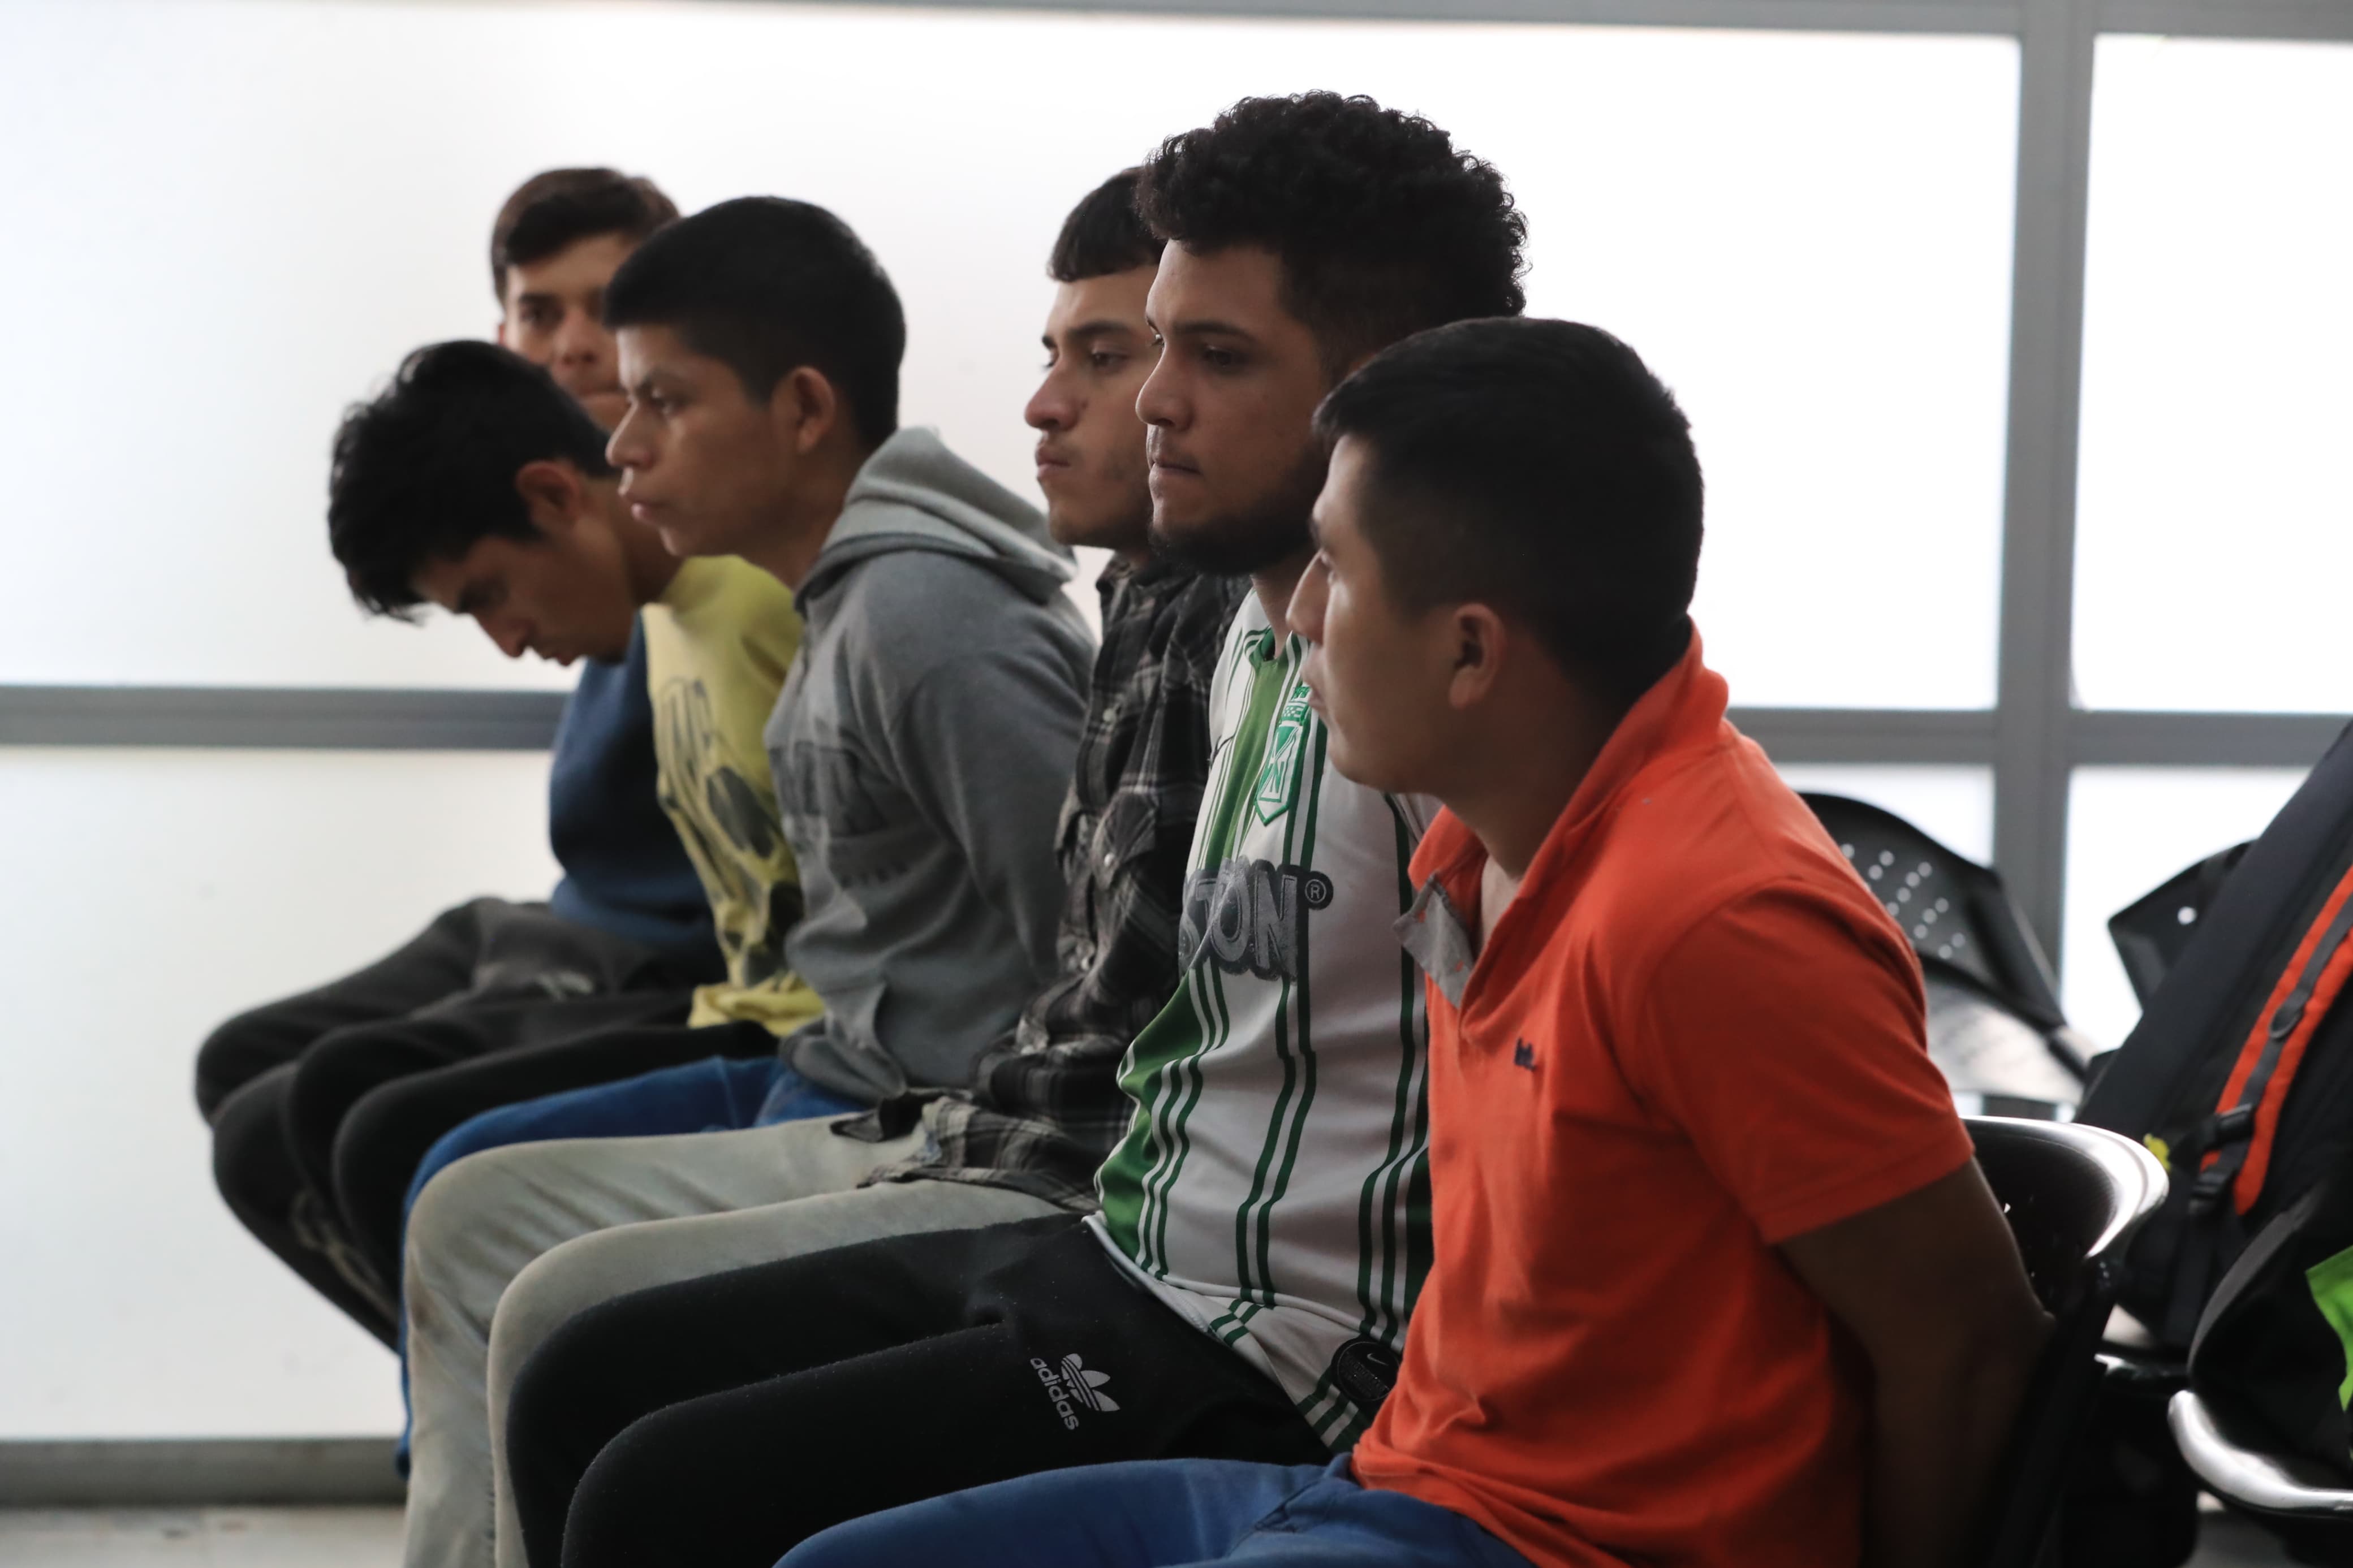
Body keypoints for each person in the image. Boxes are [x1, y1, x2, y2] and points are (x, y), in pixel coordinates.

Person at [778, 318, 2056, 1568]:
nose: (1296, 620)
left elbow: (1968, 1339)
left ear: (1467, 650)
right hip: (1397, 1478)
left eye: (1334, 571)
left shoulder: (1715, 919)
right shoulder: (1481, 841)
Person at [491, 92, 1529, 1568]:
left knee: (668, 1487)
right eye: (1138, 346)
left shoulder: (1460, 700)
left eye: (1208, 355)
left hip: (1279, 1350)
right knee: (587, 1377)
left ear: (1378, 389)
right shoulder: (1238, 622)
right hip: (1128, 1246)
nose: (1141, 401)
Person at [396, 192, 1096, 1568]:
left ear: (802, 408)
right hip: (839, 1082)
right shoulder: (843, 597)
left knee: (510, 1261)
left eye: (663, 399)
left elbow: (1084, 965)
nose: (620, 442)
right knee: (467, 1199)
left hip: (928, 1125)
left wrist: (957, 1145)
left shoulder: (928, 619)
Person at [197, 168, 711, 1340]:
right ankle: (471, 1377)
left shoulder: (703, 545)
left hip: (665, 956)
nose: (576, 347)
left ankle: (492, 1396)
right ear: (503, 334)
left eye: (609, 311)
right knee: (247, 1066)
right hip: (566, 912)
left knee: (337, 1105)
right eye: (542, 314)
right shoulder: (545, 505)